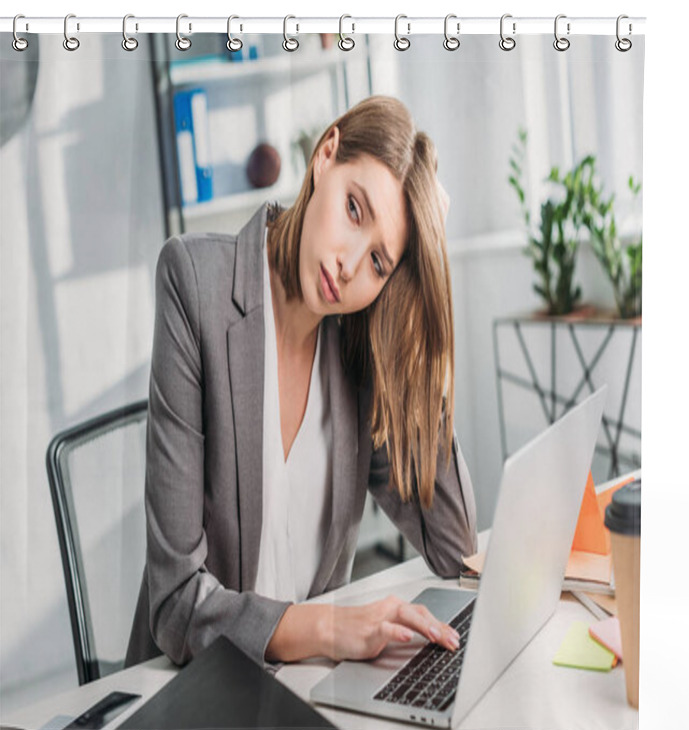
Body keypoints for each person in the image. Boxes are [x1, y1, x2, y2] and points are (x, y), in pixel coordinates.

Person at [125, 95, 477, 671]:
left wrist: (419, 298)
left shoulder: (359, 348)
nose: (348, 264)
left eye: (380, 264)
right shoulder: (196, 284)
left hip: (306, 688)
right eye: (355, 210)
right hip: (195, 688)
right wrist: (329, 628)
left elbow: (455, 546)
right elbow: (177, 604)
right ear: (326, 155)